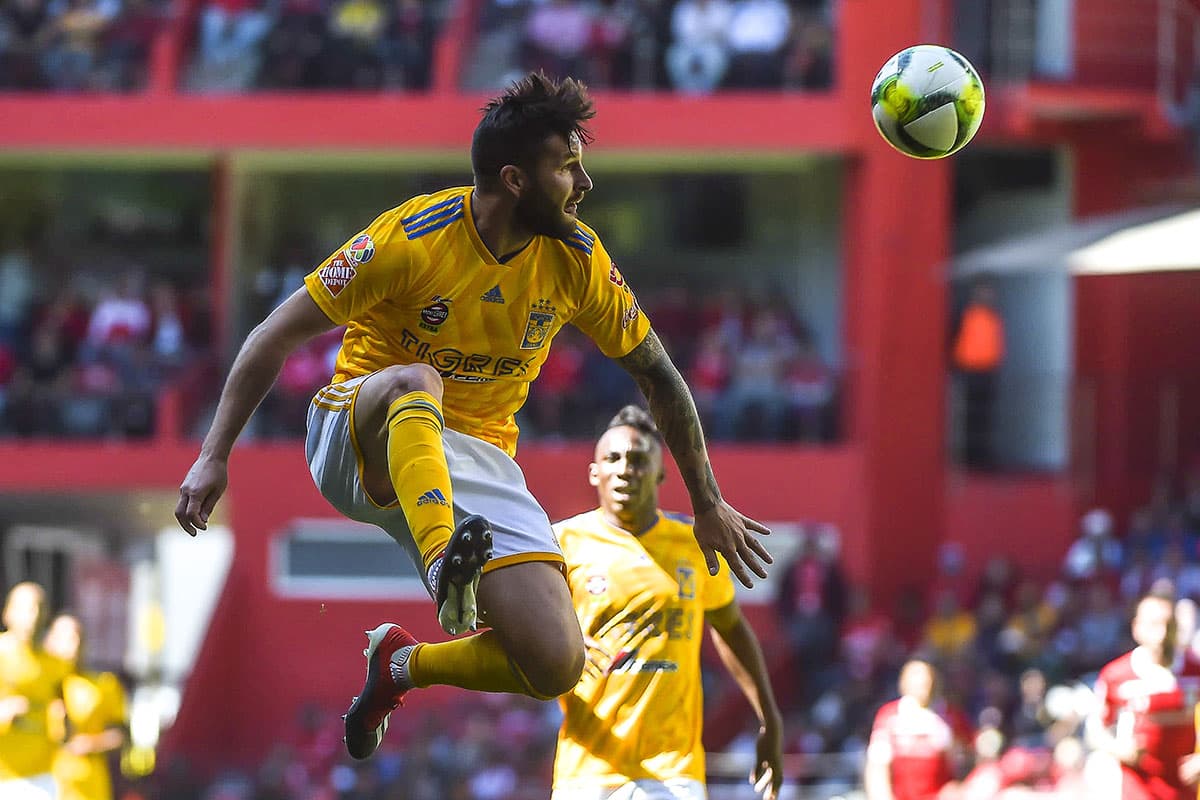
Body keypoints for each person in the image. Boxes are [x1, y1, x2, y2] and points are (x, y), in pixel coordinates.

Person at [175, 71, 772, 762]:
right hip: (358, 434)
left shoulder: (577, 260)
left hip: (478, 459)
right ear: (516, 180)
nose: (584, 182)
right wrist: (213, 454)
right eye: (567, 166)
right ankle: (444, 570)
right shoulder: (409, 239)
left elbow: (657, 374)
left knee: (556, 664)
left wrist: (706, 501)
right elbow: (271, 336)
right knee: (414, 381)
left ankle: (399, 666)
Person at [551, 405, 783, 800]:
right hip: (585, 769)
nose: (626, 469)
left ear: (661, 472)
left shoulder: (695, 544)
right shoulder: (560, 543)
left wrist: (769, 718)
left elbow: (730, 628)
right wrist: (559, 641)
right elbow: (510, 615)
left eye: (639, 459)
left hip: (673, 772)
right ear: (594, 472)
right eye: (613, 458)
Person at [1088, 587, 1199, 800]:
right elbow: (1096, 729)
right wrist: (1118, 748)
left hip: (1186, 787)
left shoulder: (1194, 670)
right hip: (1138, 787)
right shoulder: (1116, 675)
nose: (1162, 633)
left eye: (1168, 624)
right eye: (1153, 624)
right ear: (1136, 628)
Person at [42, 613, 127, 800]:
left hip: (86, 786)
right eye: (63, 638)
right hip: (41, 781)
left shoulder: (103, 686)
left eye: (76, 637)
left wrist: (90, 744)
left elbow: (120, 736)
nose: (72, 645)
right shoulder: (37, 684)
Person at [0, 582, 70, 799]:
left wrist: (63, 722)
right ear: (8, 613)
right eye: (27, 608)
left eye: (40, 607)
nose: (34, 615)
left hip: (42, 778)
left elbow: (67, 725)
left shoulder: (56, 665)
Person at [864, 659, 962, 800]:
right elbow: (877, 766)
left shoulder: (949, 716)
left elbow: (966, 757)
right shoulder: (890, 716)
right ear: (903, 682)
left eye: (927, 679)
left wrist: (958, 789)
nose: (923, 684)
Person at [950, 279, 1005, 470]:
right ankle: (966, 457)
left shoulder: (994, 317)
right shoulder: (966, 315)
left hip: (988, 373)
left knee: (985, 417)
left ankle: (982, 456)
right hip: (969, 372)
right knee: (967, 416)